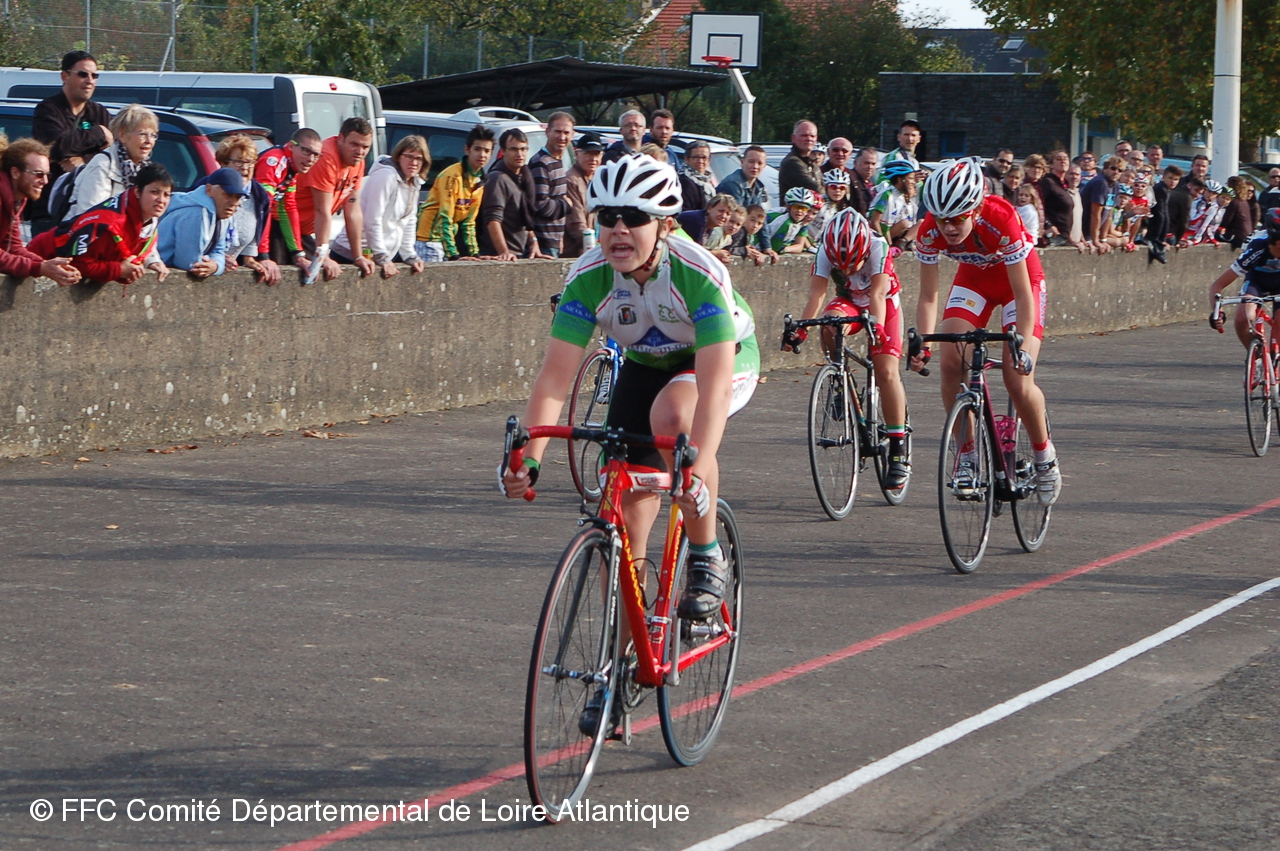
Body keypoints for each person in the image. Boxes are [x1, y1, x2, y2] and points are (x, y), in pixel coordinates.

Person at [501, 153, 759, 644]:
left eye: (636, 217)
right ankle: (622, 662)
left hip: (718, 359)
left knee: (673, 415)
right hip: (646, 364)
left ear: (664, 226)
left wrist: (697, 470)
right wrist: (528, 460)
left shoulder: (698, 272)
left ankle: (705, 554)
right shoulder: (588, 276)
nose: (619, 229)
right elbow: (554, 379)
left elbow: (714, 391)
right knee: (621, 522)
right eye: (608, 217)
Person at [911, 158, 1060, 506]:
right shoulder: (929, 230)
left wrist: (1023, 348)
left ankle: (1044, 455)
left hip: (1018, 285)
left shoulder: (1001, 217)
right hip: (974, 282)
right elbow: (929, 295)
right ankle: (967, 454)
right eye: (942, 219)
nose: (949, 228)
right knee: (950, 361)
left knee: (1017, 378)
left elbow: (1022, 293)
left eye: (958, 218)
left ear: (975, 210)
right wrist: (922, 343)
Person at [785, 208, 910, 488]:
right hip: (850, 301)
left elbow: (878, 293)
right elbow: (816, 295)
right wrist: (801, 330)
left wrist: (877, 328)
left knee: (886, 370)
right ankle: (841, 383)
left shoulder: (878, 246)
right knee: (829, 324)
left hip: (884, 303)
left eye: (853, 264)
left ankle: (898, 450)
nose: (846, 271)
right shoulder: (823, 250)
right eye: (840, 267)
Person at [30, 163, 172, 286]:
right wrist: (119, 270)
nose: (161, 200)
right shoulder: (110, 224)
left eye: (167, 195)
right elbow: (78, 263)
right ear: (137, 192)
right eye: (154, 192)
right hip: (39, 258)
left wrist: (148, 263)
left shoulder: (148, 224)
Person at [30, 50, 113, 228]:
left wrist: (84, 160)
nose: (90, 81)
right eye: (83, 74)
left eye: (94, 75)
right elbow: (56, 146)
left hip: (90, 210)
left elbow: (112, 153)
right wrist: (98, 132)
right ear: (65, 76)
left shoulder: (100, 113)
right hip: (50, 213)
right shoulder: (48, 109)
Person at [334, 134, 428, 277]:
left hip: (382, 254)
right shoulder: (386, 176)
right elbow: (373, 219)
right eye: (409, 156)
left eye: (419, 158)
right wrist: (381, 255)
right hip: (353, 253)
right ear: (398, 156)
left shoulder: (414, 182)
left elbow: (409, 221)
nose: (414, 162)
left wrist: (409, 254)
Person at [296, 116, 376, 280]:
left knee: (314, 276)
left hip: (303, 231)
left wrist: (358, 256)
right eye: (354, 144)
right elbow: (322, 210)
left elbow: (353, 209)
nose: (360, 151)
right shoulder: (326, 157)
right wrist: (323, 256)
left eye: (365, 147)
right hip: (284, 225)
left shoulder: (357, 161)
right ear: (340, 139)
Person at [198, 134, 279, 285]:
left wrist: (249, 258)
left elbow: (255, 233)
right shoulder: (207, 189)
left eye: (249, 162)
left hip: (230, 273)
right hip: (202, 266)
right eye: (239, 162)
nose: (245, 168)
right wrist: (217, 258)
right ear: (223, 163)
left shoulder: (259, 196)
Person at [0, 137, 80, 284]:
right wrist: (39, 268)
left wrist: (49, 265)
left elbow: (12, 247)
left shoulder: (15, 198)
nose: (45, 181)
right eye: (38, 174)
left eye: (47, 175)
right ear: (15, 172)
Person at [65, 103, 159, 220]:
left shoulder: (146, 170)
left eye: (153, 135)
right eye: (143, 134)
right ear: (122, 135)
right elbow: (90, 217)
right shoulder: (102, 165)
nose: (149, 141)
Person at [415, 124, 493, 262]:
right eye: (477, 149)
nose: (482, 155)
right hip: (430, 240)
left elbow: (469, 222)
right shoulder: (452, 176)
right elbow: (445, 218)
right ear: (467, 149)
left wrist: (475, 254)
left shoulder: (479, 180)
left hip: (446, 242)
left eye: (487, 151)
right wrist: (454, 256)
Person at [156, 167, 250, 278]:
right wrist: (216, 265)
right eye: (228, 194)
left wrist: (216, 266)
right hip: (157, 273)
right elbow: (190, 264)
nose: (233, 202)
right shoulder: (196, 214)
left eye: (238, 197)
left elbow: (219, 251)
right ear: (209, 190)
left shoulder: (223, 212)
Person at [254, 127, 323, 274]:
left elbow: (287, 209)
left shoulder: (291, 167)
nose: (310, 160)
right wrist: (263, 255)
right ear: (291, 146)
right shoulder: (274, 161)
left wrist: (298, 254)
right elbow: (262, 206)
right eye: (306, 151)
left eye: (316, 155)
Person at [1209, 207, 1280, 347]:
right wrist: (1217, 313)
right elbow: (1217, 285)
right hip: (1257, 281)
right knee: (1243, 318)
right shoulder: (1257, 247)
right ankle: (1254, 355)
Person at [478, 128, 546, 260]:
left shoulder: (524, 176)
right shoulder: (497, 178)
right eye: (514, 149)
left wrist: (533, 242)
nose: (519, 154)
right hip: (499, 256)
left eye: (523, 149)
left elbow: (525, 216)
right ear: (503, 151)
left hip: (519, 253)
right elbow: (492, 220)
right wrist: (504, 252)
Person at [528, 111, 573, 258]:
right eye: (557, 132)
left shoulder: (557, 161)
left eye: (566, 133)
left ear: (572, 135)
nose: (562, 137)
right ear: (547, 132)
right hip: (543, 243)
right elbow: (540, 205)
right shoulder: (541, 163)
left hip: (554, 241)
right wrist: (566, 205)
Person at [562, 131, 605, 259]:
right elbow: (576, 224)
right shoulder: (571, 180)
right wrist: (595, 248)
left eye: (597, 154)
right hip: (577, 254)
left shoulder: (598, 179)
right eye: (588, 153)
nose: (593, 159)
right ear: (577, 154)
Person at [867, 159, 919, 249]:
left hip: (887, 232)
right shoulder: (887, 195)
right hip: (874, 235)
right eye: (910, 178)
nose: (913, 182)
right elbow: (875, 222)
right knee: (905, 223)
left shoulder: (899, 196)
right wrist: (884, 245)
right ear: (900, 180)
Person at [1084, 155, 1124, 254]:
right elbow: (1095, 214)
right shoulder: (1100, 183)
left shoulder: (1115, 185)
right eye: (1113, 168)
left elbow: (1108, 214)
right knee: (1119, 241)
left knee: (1123, 241)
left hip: (1097, 230)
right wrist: (1095, 240)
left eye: (1120, 170)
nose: (1116, 172)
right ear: (1105, 169)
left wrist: (1103, 239)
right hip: (1085, 229)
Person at [764, 187, 818, 254]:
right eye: (796, 207)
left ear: (807, 210)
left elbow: (799, 247)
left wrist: (785, 249)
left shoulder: (803, 223)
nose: (799, 211)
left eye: (803, 208)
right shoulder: (780, 218)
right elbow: (776, 247)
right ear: (788, 207)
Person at [778, 119, 822, 199]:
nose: (809, 139)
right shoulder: (791, 163)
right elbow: (816, 190)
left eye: (812, 136)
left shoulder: (813, 165)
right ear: (793, 138)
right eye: (804, 135)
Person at [808, 168, 851, 242]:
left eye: (842, 188)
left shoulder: (838, 207)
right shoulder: (816, 202)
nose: (838, 191)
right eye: (833, 187)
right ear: (826, 187)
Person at [679, 140, 716, 212]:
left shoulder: (707, 180)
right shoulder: (684, 182)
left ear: (709, 160)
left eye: (704, 157)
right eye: (696, 157)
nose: (700, 161)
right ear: (687, 159)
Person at [849, 146, 878, 215]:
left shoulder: (872, 184)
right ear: (855, 163)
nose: (870, 167)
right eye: (866, 163)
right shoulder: (849, 180)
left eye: (873, 164)